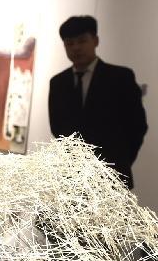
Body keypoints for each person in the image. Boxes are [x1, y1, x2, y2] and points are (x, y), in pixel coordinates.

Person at [48, 15, 147, 188]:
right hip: (70, 179)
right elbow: (57, 129)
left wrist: (119, 161)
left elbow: (137, 126)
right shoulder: (58, 83)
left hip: (111, 177)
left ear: (95, 41)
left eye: (82, 41)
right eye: (70, 43)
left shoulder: (120, 77)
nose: (76, 48)